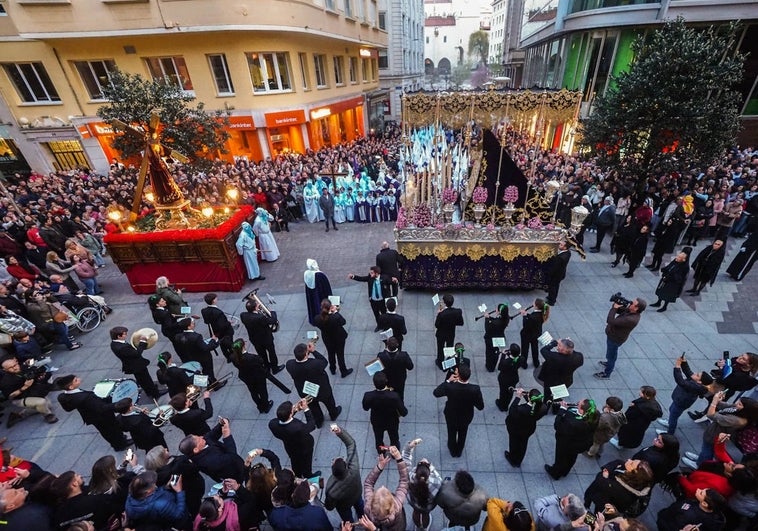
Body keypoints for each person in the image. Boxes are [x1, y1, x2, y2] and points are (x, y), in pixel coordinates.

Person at [54, 373, 132, 451]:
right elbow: (102, 407)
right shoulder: (85, 397)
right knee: (112, 430)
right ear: (71, 387)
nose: (79, 379)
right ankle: (120, 445)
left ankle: (118, 441)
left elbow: (68, 409)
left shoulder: (63, 396)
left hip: (92, 416)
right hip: (102, 416)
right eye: (76, 380)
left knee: (106, 431)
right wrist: (118, 404)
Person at [286, 342, 342, 428]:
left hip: (305, 391)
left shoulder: (289, 364)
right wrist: (313, 351)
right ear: (306, 354)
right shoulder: (315, 364)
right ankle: (333, 413)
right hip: (322, 389)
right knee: (329, 402)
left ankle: (319, 421)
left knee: (313, 407)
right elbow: (324, 361)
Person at [433, 364, 484, 457]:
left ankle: (452, 450)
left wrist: (448, 381)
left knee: (451, 432)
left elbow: (436, 393)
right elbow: (480, 406)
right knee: (463, 433)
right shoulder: (475, 389)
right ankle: (459, 451)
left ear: (458, 375)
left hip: (451, 415)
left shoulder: (450, 387)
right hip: (466, 416)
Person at [657, 354, 712, 435]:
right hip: (678, 399)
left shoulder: (695, 386)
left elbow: (680, 381)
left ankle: (669, 433)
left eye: (697, 375)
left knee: (673, 417)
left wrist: (677, 366)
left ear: (700, 382)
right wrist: (684, 362)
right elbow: (688, 372)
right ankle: (669, 422)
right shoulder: (696, 381)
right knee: (671, 410)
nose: (695, 373)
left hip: (681, 403)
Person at [178, 417, 246, 483]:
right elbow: (232, 456)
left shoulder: (203, 442)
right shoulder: (207, 461)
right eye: (199, 439)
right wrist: (227, 437)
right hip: (233, 472)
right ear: (196, 450)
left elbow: (212, 434)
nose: (201, 437)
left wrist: (221, 424)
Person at [545, 399, 599, 480]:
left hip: (567, 443)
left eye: (578, 404)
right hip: (580, 444)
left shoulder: (573, 423)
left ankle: (555, 473)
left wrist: (562, 410)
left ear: (582, 410)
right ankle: (565, 471)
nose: (576, 403)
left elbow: (557, 426)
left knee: (560, 458)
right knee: (572, 458)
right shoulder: (595, 415)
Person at [595, 296, 646, 379]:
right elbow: (621, 310)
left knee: (611, 355)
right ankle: (609, 363)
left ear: (636, 308)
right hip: (613, 336)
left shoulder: (631, 319)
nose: (630, 303)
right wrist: (618, 304)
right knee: (610, 353)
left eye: (632, 303)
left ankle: (607, 373)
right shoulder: (632, 312)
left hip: (615, 338)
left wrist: (614, 308)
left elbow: (610, 320)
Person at [0, 355, 58, 427]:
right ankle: (48, 416)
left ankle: (18, 415)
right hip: (19, 398)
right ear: (5, 370)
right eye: (11, 368)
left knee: (48, 406)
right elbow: (10, 397)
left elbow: (33, 372)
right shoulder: (5, 381)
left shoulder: (22, 368)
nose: (15, 368)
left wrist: (40, 376)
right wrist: (24, 387)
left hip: (31, 391)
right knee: (42, 403)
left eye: (15, 365)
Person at [584, 459, 654, 517]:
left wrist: (605, 477)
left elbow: (599, 478)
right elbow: (618, 461)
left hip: (603, 506)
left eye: (632, 463)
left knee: (597, 516)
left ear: (634, 472)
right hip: (606, 500)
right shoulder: (638, 481)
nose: (629, 460)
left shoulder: (618, 488)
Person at [324, 425, 365, 524]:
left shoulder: (330, 487)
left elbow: (329, 507)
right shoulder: (353, 468)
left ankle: (350, 527)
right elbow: (351, 444)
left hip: (344, 506)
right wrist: (340, 432)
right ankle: (363, 519)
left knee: (347, 520)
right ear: (346, 465)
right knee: (360, 506)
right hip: (357, 494)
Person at [268, 399, 318, 479]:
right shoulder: (298, 428)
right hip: (304, 447)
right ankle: (308, 475)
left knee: (294, 461)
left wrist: (295, 410)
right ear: (290, 414)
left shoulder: (272, 424)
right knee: (307, 462)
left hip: (290, 447)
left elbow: (283, 419)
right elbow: (311, 425)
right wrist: (306, 409)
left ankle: (297, 474)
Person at [125, 470, 190, 530]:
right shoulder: (160, 505)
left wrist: (166, 487)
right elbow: (178, 515)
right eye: (154, 484)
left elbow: (155, 494)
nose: (155, 484)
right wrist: (179, 492)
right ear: (148, 491)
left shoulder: (131, 495)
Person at [363, 445, 408, 531]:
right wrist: (399, 459)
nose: (383, 486)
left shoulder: (368, 506)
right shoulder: (397, 505)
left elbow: (368, 483)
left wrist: (379, 467)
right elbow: (404, 481)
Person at [363, 371, 408, 454]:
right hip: (392, 421)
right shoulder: (394, 396)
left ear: (374, 383)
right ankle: (394, 453)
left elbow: (365, 408)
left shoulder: (368, 395)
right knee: (394, 438)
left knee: (379, 439)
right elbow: (404, 412)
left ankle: (381, 452)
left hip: (377, 421)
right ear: (386, 381)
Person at [402, 438, 442, 530]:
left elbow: (405, 459)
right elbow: (439, 479)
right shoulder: (436, 483)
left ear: (416, 471)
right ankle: (424, 527)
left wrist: (409, 447)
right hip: (428, 506)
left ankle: (417, 526)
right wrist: (430, 466)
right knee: (425, 515)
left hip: (413, 502)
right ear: (429, 473)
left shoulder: (409, 476)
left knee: (416, 512)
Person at [505, 387, 548, 468]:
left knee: (514, 444)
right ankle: (519, 460)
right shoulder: (543, 407)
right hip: (528, 429)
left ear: (530, 398)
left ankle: (513, 459)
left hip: (516, 429)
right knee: (523, 444)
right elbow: (533, 405)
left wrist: (518, 397)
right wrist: (526, 396)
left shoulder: (521, 409)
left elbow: (512, 411)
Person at [173, 318, 223, 387]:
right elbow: (205, 348)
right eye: (192, 323)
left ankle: (203, 383)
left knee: (198, 371)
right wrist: (213, 341)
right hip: (203, 357)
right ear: (189, 326)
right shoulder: (196, 337)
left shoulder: (178, 336)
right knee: (208, 370)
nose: (193, 324)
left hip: (191, 356)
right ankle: (213, 384)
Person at [229, 338, 273, 414]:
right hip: (257, 376)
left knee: (253, 392)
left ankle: (260, 407)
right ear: (243, 346)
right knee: (262, 391)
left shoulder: (233, 357)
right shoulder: (251, 357)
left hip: (246, 377)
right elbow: (261, 361)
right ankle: (266, 406)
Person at [240, 297, 283, 374]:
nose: (259, 304)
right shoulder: (260, 317)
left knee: (262, 354)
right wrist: (272, 312)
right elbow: (272, 320)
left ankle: (266, 367)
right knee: (271, 353)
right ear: (255, 307)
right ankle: (275, 368)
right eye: (257, 305)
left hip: (255, 339)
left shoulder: (243, 315)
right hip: (266, 338)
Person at [611, 385, 663, 450]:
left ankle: (620, 444)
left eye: (641, 392)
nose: (639, 392)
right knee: (633, 436)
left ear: (646, 395)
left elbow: (628, 415)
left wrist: (631, 407)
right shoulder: (653, 404)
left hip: (631, 425)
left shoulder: (639, 407)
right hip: (641, 426)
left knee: (625, 434)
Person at [537, 337, 584, 406]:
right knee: (557, 396)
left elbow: (543, 350)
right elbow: (574, 353)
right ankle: (556, 408)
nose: (557, 347)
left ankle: (546, 407)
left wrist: (554, 343)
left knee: (547, 397)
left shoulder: (554, 357)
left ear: (563, 350)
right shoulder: (578, 357)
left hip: (551, 382)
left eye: (559, 345)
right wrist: (570, 346)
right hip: (565, 381)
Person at [313, 298, 352, 377]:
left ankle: (332, 369)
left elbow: (320, 322)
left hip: (327, 339)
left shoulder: (317, 318)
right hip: (338, 338)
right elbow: (343, 322)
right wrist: (336, 312)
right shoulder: (335, 318)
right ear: (330, 307)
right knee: (340, 355)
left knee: (331, 354)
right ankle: (343, 371)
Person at [656, 488, 727, 531]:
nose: (699, 489)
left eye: (701, 493)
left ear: (704, 504)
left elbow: (672, 525)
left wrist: (661, 518)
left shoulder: (689, 515)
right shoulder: (715, 519)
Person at [348, 266, 394, 332]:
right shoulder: (370, 278)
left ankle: (385, 326)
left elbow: (390, 282)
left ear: (377, 273)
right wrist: (353, 276)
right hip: (373, 300)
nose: (370, 274)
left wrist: (395, 281)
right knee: (376, 314)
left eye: (372, 273)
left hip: (382, 300)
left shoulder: (384, 278)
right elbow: (362, 278)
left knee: (384, 313)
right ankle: (379, 325)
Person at [650, 247, 692, 312]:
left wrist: (671, 275)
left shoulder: (685, 267)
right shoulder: (675, 261)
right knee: (661, 291)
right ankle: (658, 302)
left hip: (673, 283)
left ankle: (664, 307)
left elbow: (681, 277)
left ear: (683, 259)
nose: (676, 258)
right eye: (677, 256)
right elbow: (670, 266)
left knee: (668, 295)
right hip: (666, 279)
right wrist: (665, 271)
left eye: (679, 257)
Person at [376, 337, 413, 402]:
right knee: (400, 393)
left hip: (387, 379)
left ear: (387, 345)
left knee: (387, 394)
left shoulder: (381, 356)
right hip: (400, 379)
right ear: (397, 345)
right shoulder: (404, 355)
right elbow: (410, 367)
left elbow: (378, 368)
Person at [200, 293, 235, 361]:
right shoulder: (218, 312)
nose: (217, 299)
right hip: (225, 332)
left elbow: (206, 321)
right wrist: (228, 322)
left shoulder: (204, 310)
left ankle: (227, 357)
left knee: (222, 345)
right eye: (216, 298)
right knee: (230, 343)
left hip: (215, 332)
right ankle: (233, 355)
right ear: (213, 301)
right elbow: (222, 326)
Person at [434, 293, 464, 369]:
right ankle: (449, 362)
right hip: (451, 333)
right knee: (450, 347)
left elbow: (437, 325)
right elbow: (461, 323)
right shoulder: (458, 311)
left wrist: (438, 314)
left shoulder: (441, 314)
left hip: (441, 334)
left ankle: (440, 362)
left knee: (440, 348)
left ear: (445, 303)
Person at [519, 298, 548, 369]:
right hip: (536, 333)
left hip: (527, 335)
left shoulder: (533, 316)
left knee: (524, 350)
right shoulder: (542, 313)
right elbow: (534, 319)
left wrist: (524, 316)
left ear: (536, 306)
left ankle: (524, 364)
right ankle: (536, 362)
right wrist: (527, 314)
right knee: (535, 348)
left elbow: (526, 325)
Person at [483, 303, 510, 372]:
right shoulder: (506, 318)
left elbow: (488, 328)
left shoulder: (495, 323)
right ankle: (492, 365)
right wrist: (490, 318)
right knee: (495, 351)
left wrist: (487, 319)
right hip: (499, 336)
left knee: (489, 353)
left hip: (491, 338)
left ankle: (490, 366)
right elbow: (495, 320)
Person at [495, 343, 522, 411]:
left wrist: (503, 355)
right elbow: (515, 360)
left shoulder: (506, 362)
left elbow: (499, 367)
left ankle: (502, 405)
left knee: (503, 392)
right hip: (514, 378)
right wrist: (509, 355)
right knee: (510, 392)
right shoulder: (521, 359)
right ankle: (506, 405)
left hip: (504, 379)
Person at [545, 241, 571, 305]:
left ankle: (551, 301)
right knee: (555, 287)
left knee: (553, 287)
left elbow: (554, 268)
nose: (559, 245)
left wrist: (549, 274)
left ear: (565, 247)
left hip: (556, 275)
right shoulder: (568, 253)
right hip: (560, 274)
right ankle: (551, 297)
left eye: (561, 245)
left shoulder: (561, 258)